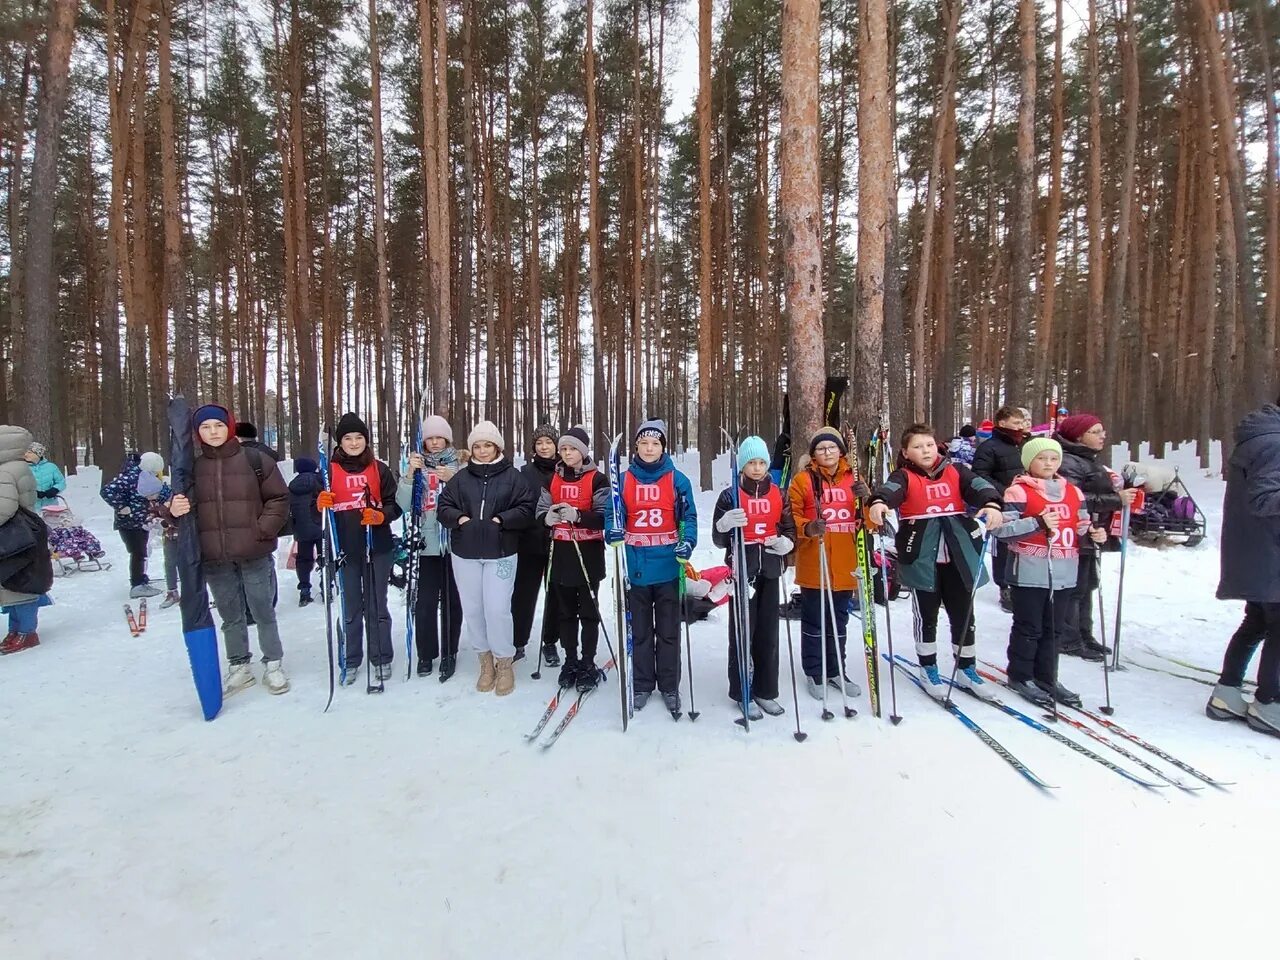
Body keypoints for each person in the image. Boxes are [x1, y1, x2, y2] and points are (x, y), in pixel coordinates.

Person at [868, 424, 1005, 699]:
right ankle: (927, 667)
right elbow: (889, 490)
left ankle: (966, 667)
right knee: (926, 615)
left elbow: (980, 487)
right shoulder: (904, 476)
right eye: (918, 447)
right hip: (921, 557)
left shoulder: (956, 471)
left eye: (929, 445)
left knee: (963, 613)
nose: (925, 450)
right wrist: (879, 502)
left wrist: (991, 503)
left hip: (959, 555)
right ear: (906, 452)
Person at [166, 404, 291, 694]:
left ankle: (273, 663)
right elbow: (180, 508)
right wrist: (172, 509)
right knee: (230, 614)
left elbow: (278, 498)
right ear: (197, 433)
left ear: (229, 427)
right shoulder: (193, 468)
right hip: (214, 555)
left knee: (262, 610)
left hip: (254, 551)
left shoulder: (254, 459)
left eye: (219, 426)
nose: (213, 432)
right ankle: (239, 665)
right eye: (206, 427)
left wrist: (262, 530)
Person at [992, 437, 1108, 708]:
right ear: (1029, 462)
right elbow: (1001, 531)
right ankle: (1021, 675)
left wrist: (1094, 534)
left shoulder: (1073, 492)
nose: (1048, 463)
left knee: (1054, 629)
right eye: (1041, 458)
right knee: (1029, 627)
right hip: (1030, 570)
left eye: (1053, 458)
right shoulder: (1018, 492)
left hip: (1065, 569)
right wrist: (1037, 523)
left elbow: (1081, 525)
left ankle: (1047, 677)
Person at [437, 420, 537, 697]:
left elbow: (526, 508)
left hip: (502, 554)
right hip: (465, 554)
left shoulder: (513, 477)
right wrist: (460, 519)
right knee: (473, 609)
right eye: (477, 446)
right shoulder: (461, 478)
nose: (482, 451)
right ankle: (485, 661)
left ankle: (504, 662)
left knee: (497, 609)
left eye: (487, 445)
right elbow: (444, 506)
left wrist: (501, 520)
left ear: (498, 447)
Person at [605, 419, 697, 714]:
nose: (649, 448)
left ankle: (669, 686)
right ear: (636, 447)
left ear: (663, 447)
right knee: (641, 631)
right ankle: (643, 684)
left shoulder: (677, 480)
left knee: (669, 631)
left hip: (669, 567)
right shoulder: (623, 479)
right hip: (637, 568)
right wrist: (613, 531)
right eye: (644, 443)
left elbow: (690, 518)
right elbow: (612, 514)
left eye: (655, 443)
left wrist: (688, 542)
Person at [1209, 396, 1280, 736]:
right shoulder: (1275, 442)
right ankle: (1269, 704)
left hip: (1259, 550)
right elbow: (1263, 499)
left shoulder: (1264, 435)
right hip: (1270, 552)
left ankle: (1226, 692)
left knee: (1257, 621)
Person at [712, 435, 795, 718]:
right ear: (742, 466)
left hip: (770, 571)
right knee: (742, 633)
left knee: (768, 634)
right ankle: (742, 691)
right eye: (751, 463)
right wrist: (724, 524)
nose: (757, 468)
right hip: (742, 571)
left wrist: (786, 543)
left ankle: (766, 690)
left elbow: (789, 528)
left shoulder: (779, 494)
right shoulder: (730, 495)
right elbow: (717, 538)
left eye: (761, 462)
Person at [316, 413, 402, 683]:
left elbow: (395, 504)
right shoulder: (328, 471)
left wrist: (381, 516)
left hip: (377, 546)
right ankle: (350, 658)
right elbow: (312, 510)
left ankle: (381, 657)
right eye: (348, 438)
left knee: (377, 606)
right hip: (345, 550)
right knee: (351, 606)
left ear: (366, 440)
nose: (354, 443)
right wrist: (319, 503)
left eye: (359, 438)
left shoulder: (379, 469)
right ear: (340, 442)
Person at [786, 427, 865, 701]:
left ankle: (836, 669)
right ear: (813, 454)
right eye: (821, 449)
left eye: (832, 448)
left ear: (841, 451)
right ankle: (814, 669)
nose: (827, 452)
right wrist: (807, 528)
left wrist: (866, 499)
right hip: (814, 561)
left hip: (845, 563)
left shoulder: (853, 478)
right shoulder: (803, 481)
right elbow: (789, 517)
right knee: (814, 621)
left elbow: (870, 523)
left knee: (839, 621)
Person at [1053, 412, 1138, 661]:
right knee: (1075, 586)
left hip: (1094, 530)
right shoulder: (1069, 461)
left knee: (1088, 584)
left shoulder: (1088, 459)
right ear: (1078, 436)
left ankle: (1084, 634)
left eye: (1102, 431)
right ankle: (1068, 639)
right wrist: (1115, 499)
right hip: (1078, 529)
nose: (1102, 436)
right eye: (1095, 432)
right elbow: (1072, 498)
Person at [536, 426, 611, 691]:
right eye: (564, 449)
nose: (567, 453)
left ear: (583, 452)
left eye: (573, 449)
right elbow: (540, 511)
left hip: (588, 552)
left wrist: (578, 515)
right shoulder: (551, 478)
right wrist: (548, 518)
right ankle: (570, 661)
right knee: (566, 612)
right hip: (560, 552)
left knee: (589, 612)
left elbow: (604, 517)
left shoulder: (598, 479)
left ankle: (588, 662)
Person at [397, 413, 464, 680]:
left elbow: (469, 500)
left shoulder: (460, 465)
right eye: (430, 438)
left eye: (439, 438)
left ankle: (450, 651)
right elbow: (402, 505)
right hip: (426, 545)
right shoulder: (415, 466)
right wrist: (410, 475)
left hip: (453, 543)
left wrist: (453, 478)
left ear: (447, 439)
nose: (435, 443)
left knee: (452, 601)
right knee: (424, 602)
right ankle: (426, 653)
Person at [972, 404, 1031, 612]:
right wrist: (1004, 491)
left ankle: (1025, 582)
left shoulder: (1026, 444)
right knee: (1004, 544)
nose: (1020, 427)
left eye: (1022, 423)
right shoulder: (989, 447)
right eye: (1016, 423)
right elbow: (980, 474)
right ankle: (1004, 586)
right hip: (1003, 502)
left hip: (1029, 501)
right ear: (1002, 423)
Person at [1, 426, 53, 655]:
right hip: (28, 530)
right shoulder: (21, 467)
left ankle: (25, 632)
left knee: (16, 582)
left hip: (12, 535)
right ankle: (18, 630)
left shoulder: (4, 472)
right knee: (23, 581)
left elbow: (5, 506)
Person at [512, 423, 560, 665]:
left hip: (558, 542)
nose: (544, 447)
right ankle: (517, 641)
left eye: (548, 442)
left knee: (555, 595)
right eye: (539, 443)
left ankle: (550, 642)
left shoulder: (565, 471)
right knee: (523, 594)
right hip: (529, 542)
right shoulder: (524, 473)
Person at [101, 451, 167, 599]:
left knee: (140, 552)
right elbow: (106, 491)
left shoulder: (142, 476)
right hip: (129, 522)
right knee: (138, 552)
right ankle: (137, 585)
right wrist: (122, 506)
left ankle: (140, 579)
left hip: (139, 520)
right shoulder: (131, 477)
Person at [137, 470, 179, 608]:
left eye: (151, 495)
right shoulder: (153, 501)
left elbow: (178, 515)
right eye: (146, 497)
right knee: (169, 562)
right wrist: (151, 521)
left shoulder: (171, 497)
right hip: (169, 535)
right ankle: (172, 591)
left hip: (182, 534)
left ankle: (195, 592)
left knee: (189, 563)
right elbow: (152, 513)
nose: (149, 498)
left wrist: (166, 522)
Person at [288, 456, 324, 606]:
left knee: (303, 560)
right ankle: (326, 587)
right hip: (321, 526)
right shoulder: (321, 481)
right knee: (325, 557)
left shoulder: (292, 485)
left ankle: (304, 590)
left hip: (302, 529)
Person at [23, 442, 66, 509]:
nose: (25, 455)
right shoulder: (22, 468)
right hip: (30, 508)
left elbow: (61, 482)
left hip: (50, 507)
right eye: (25, 452)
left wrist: (55, 489)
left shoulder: (51, 467)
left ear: (38, 454)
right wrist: (33, 493)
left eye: (29, 452)